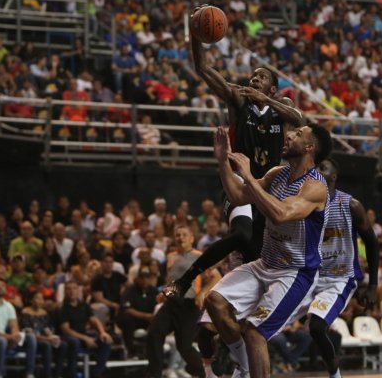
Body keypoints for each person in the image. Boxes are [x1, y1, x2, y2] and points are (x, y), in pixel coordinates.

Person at [163, 10, 304, 297]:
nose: (254, 80)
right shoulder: (238, 98)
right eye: (252, 76)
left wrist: (268, 101)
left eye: (261, 77)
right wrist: (195, 36)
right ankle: (186, 280)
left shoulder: (282, 108)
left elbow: (300, 119)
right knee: (240, 234)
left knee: (256, 248)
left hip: (269, 186)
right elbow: (202, 68)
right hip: (239, 182)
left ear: (273, 89)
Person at [206, 124, 331, 378]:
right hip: (266, 263)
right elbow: (240, 196)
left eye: (298, 135)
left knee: (255, 332)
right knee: (215, 301)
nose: (289, 135)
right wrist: (222, 163)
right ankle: (243, 366)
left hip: (296, 273)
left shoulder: (315, 187)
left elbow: (281, 214)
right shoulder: (278, 174)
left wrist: (249, 176)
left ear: (310, 148)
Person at [294, 158, 379, 378]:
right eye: (315, 169)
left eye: (322, 168)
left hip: (339, 279)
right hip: (309, 276)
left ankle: (335, 374)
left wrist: (373, 285)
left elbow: (372, 243)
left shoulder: (350, 205)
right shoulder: (303, 205)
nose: (316, 172)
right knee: (263, 322)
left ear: (333, 177)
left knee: (317, 327)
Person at [146, 226, 207, 378]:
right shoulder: (171, 256)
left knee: (184, 347)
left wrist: (202, 293)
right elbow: (174, 281)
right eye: (178, 235)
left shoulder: (199, 255)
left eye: (184, 234)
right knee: (154, 332)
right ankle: (155, 374)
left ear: (192, 238)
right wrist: (164, 293)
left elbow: (216, 277)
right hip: (171, 303)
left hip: (189, 305)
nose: (180, 237)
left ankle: (205, 374)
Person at [0, 278, 37, 378]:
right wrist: (9, 337)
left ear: (6, 289)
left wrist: (14, 336)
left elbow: (14, 326)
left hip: (4, 337)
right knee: (1, 341)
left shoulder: (9, 305)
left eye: (2, 286)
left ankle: (29, 374)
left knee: (30, 337)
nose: (0, 288)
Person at [59, 280, 113, 378]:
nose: (72, 291)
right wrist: (85, 338)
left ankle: (96, 373)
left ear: (78, 291)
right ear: (65, 291)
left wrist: (102, 332)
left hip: (83, 335)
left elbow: (94, 320)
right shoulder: (62, 308)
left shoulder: (83, 305)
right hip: (68, 337)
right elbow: (65, 330)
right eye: (69, 289)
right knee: (74, 342)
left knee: (106, 341)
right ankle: (72, 374)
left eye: (74, 288)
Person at [20, 291, 65, 378]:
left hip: (44, 338)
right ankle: (46, 374)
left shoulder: (44, 313)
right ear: (31, 300)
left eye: (42, 298)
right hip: (30, 340)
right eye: (37, 298)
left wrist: (51, 336)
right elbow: (29, 332)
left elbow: (46, 328)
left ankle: (58, 374)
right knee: (46, 345)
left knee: (63, 345)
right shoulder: (25, 312)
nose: (40, 301)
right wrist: (47, 339)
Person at [118, 266, 157, 357]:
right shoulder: (130, 290)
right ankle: (131, 351)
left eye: (147, 278)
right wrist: (145, 316)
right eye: (142, 278)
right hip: (134, 320)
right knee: (127, 319)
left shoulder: (153, 291)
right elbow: (127, 309)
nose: (144, 280)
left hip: (148, 320)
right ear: (137, 278)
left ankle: (155, 350)